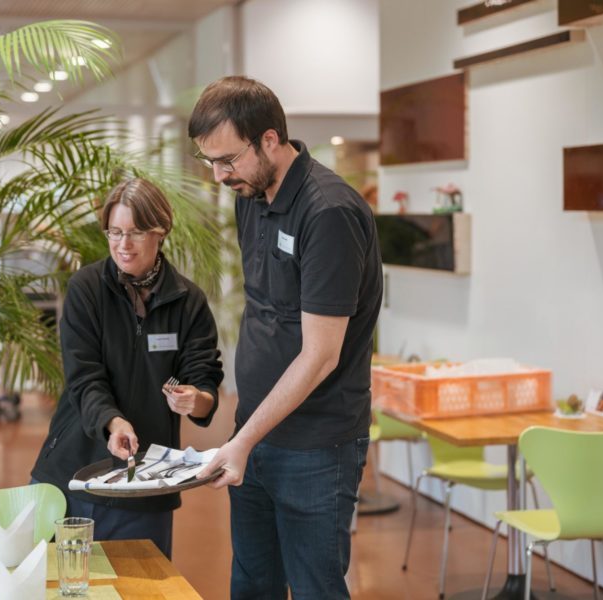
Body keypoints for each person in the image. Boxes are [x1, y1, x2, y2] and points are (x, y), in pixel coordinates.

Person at [188, 76, 383, 599]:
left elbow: (320, 355)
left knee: (316, 586)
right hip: (254, 431)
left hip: (317, 446)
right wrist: (243, 434)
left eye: (227, 160)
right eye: (209, 162)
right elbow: (268, 313)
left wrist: (241, 441)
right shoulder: (250, 194)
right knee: (253, 584)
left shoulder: (329, 212)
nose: (218, 175)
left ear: (269, 140)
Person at [30, 178, 223, 558]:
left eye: (135, 233)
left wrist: (195, 400)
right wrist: (113, 422)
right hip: (75, 472)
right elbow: (84, 376)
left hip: (146, 484)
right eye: (115, 232)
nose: (123, 244)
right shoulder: (87, 289)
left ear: (160, 231)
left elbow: (205, 381)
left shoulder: (189, 302)